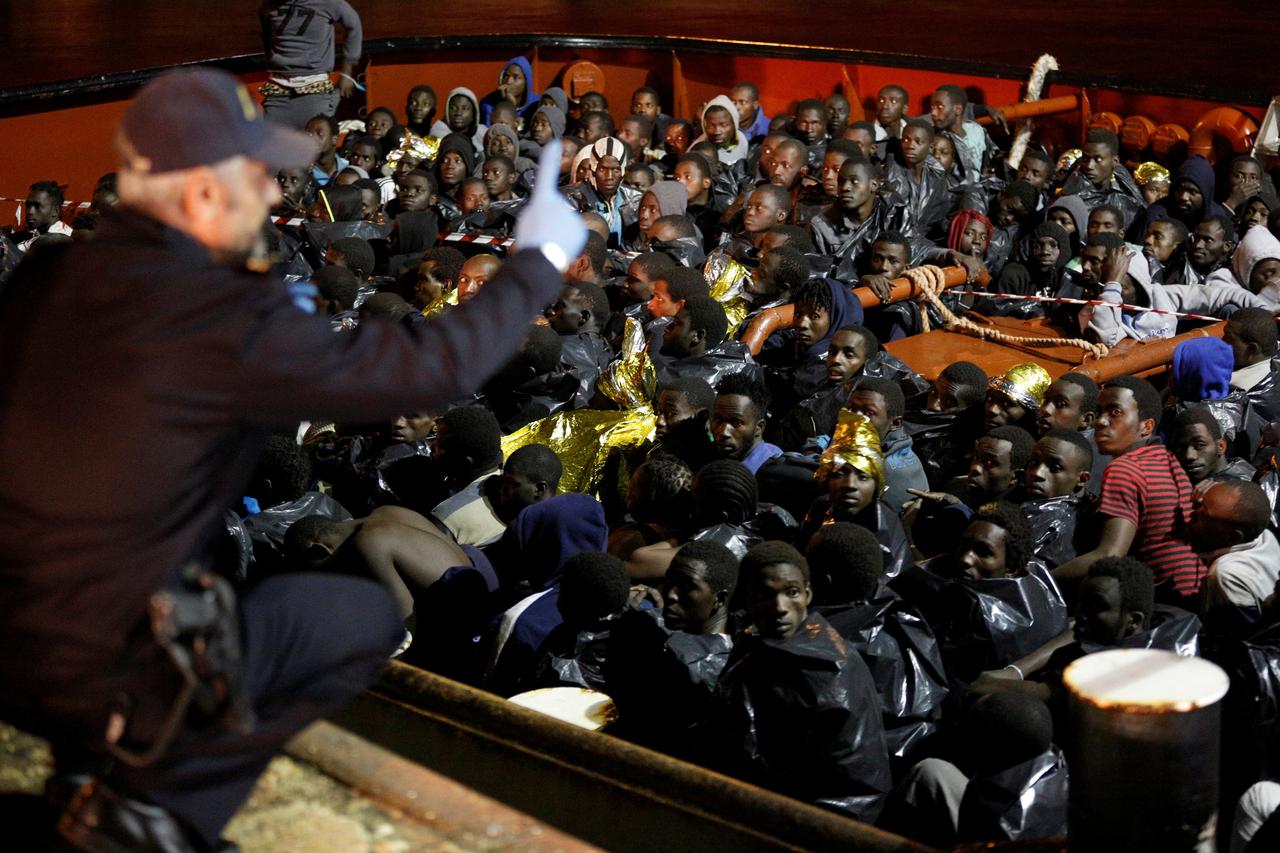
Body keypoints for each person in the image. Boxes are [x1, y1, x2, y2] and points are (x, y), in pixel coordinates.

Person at [0, 68, 586, 851]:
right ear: (203, 192)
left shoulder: (43, 273)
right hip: (100, 664)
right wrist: (540, 256)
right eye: (254, 179)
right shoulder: (223, 314)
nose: (274, 199)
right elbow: (431, 368)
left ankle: (84, 770)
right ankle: (143, 814)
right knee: (352, 616)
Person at [713, 541, 892, 821]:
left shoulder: (826, 670)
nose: (780, 607)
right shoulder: (761, 643)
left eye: (791, 592)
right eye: (764, 595)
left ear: (807, 594)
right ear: (745, 599)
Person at [1053, 376, 1205, 605]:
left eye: (1115, 412)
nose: (1101, 422)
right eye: (1100, 411)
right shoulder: (1166, 459)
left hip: (1161, 599)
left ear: (1146, 427)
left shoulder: (1124, 469)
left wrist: (1043, 578)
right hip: (1194, 592)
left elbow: (1110, 555)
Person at [258, 0, 363, 129]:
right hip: (278, 88)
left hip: (314, 88)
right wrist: (273, 61)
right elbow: (266, 34)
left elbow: (353, 25)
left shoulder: (328, 3)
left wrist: (347, 72)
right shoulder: (269, 6)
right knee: (272, 143)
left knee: (315, 141)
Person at [710, 373, 782, 473]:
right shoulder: (708, 458)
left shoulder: (774, 473)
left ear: (759, 427)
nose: (723, 432)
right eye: (718, 420)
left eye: (736, 422)